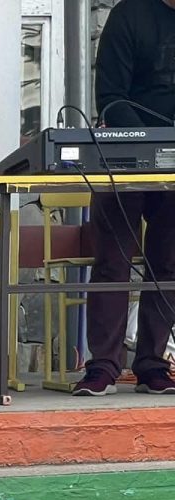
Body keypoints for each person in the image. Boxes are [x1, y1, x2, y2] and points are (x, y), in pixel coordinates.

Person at [73, 0, 175, 397]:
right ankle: (102, 367)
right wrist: (151, 144)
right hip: (123, 159)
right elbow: (111, 97)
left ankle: (152, 365)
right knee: (112, 263)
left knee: (167, 265)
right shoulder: (128, 15)